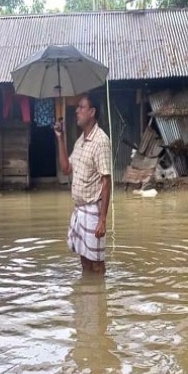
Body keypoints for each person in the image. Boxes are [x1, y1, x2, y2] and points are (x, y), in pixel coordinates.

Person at [54, 93, 112, 275]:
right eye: (77, 107)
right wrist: (60, 138)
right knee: (84, 262)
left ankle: (100, 300)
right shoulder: (80, 141)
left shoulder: (100, 141)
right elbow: (66, 169)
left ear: (92, 112)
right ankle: (88, 298)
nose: (77, 111)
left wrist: (102, 220)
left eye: (81, 107)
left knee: (96, 263)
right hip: (80, 210)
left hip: (93, 211)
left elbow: (106, 181)